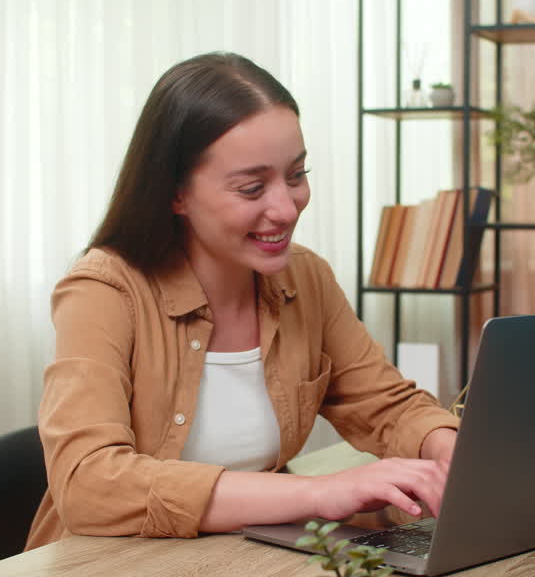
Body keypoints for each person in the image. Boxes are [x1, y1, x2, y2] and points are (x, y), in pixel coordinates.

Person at [25, 52, 459, 548]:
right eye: (252, 188)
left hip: (241, 564)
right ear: (176, 194)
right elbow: (88, 484)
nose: (286, 207)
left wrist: (447, 450)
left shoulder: (307, 278)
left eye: (296, 175)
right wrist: (315, 494)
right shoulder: (104, 291)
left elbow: (386, 405)